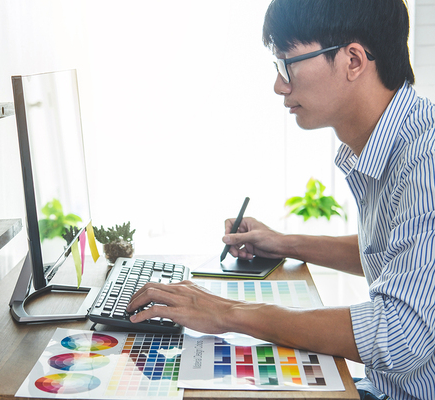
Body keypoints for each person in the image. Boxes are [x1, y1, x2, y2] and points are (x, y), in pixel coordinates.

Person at [126, 0, 435, 399]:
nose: (279, 85)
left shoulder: (425, 161)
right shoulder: (400, 141)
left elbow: (400, 337)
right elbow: (400, 256)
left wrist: (226, 313)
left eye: (288, 64)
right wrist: (284, 243)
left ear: (353, 61)